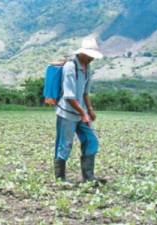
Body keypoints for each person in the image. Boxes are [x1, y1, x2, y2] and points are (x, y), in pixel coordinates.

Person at [54, 38, 106, 184]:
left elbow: (85, 93)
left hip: (81, 112)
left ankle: (89, 177)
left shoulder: (87, 68)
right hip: (67, 113)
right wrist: (83, 113)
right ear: (82, 53)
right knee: (65, 144)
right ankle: (60, 179)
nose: (91, 59)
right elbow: (69, 95)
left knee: (91, 140)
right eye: (90, 56)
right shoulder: (70, 67)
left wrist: (89, 110)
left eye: (93, 57)